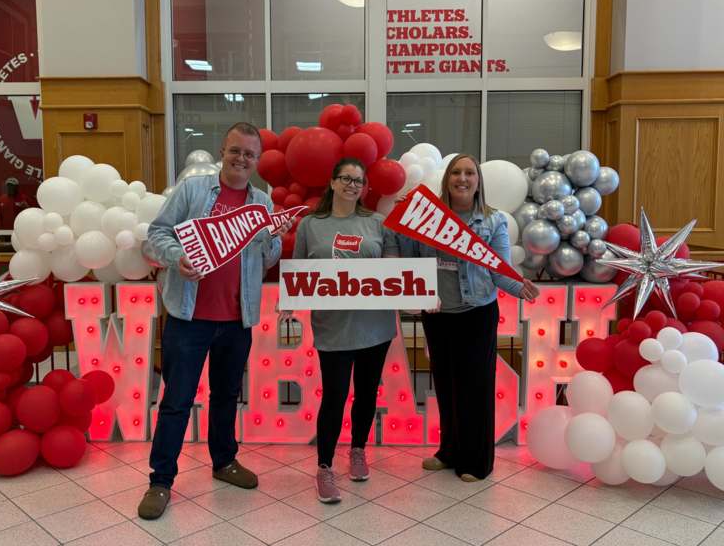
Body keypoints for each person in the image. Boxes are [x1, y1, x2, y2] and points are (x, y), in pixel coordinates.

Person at [138, 122, 292, 520]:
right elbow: (157, 233)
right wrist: (176, 258)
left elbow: (267, 258)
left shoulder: (262, 201)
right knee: (176, 400)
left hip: (237, 319)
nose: (242, 159)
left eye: (249, 154)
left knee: (225, 397)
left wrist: (274, 236)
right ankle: (160, 480)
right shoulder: (192, 191)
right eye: (235, 151)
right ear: (222, 152)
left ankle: (224, 462)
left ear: (257, 161)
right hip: (189, 318)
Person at [397, 153, 539, 482]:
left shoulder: (494, 221)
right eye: (456, 173)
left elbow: (499, 271)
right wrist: (403, 216)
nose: (463, 178)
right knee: (445, 386)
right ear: (447, 179)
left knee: (474, 389)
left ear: (478, 181)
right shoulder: (428, 219)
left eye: (469, 173)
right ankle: (449, 451)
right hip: (437, 314)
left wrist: (519, 287)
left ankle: (476, 461)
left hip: (477, 314)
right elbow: (410, 260)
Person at [281, 158, 398, 504]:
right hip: (331, 326)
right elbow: (299, 271)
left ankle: (358, 450)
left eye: (358, 181)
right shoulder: (310, 226)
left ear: (365, 189)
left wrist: (419, 292)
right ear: (332, 183)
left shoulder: (378, 223)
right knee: (334, 396)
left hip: (375, 325)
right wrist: (290, 299)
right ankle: (324, 467)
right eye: (345, 178)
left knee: (366, 394)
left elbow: (395, 272)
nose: (352, 184)